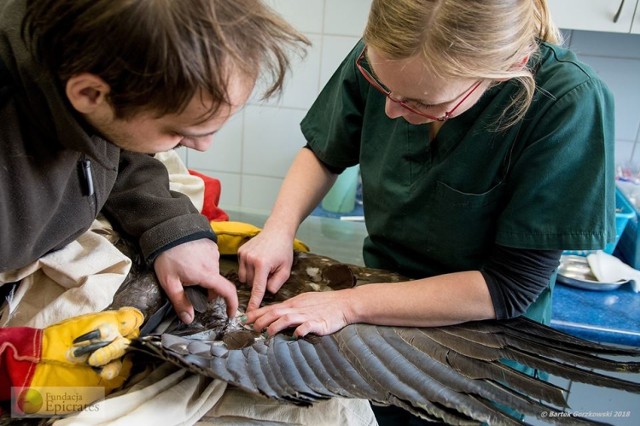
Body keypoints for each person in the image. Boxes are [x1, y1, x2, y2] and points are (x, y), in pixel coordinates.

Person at [237, 0, 615, 423]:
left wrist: (348, 305)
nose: (390, 112)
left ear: (508, 67)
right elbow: (326, 150)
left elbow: (510, 285)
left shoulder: (566, 102)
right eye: (382, 87)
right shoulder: (396, 48)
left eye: (421, 102)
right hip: (373, 329)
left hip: (479, 355)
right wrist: (277, 229)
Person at [0, 0, 307, 410]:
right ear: (90, 93)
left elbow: (114, 147)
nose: (203, 145)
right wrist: (10, 372)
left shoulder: (84, 74)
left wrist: (171, 227)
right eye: (181, 131)